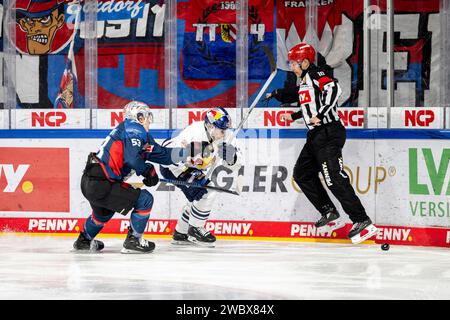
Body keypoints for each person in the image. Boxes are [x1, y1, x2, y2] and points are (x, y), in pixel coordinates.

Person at [266, 43, 378, 244]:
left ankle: (362, 220)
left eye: (294, 63)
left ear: (306, 62)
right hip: (316, 135)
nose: (291, 67)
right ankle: (328, 210)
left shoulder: (316, 75)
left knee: (333, 177)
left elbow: (334, 89)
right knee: (302, 173)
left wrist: (321, 114)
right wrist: (293, 115)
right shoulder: (306, 81)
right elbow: (310, 105)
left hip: (329, 133)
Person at [73, 101, 188, 253]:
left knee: (103, 213)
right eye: (147, 116)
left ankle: (84, 241)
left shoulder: (139, 135)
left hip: (91, 181)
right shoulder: (134, 128)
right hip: (102, 182)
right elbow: (132, 159)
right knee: (145, 199)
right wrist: (147, 170)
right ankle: (133, 241)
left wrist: (191, 151)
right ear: (139, 117)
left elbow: (164, 155)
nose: (149, 121)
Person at [159, 107, 242, 247]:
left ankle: (181, 233)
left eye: (225, 130)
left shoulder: (227, 137)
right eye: (221, 130)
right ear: (210, 126)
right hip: (175, 168)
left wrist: (232, 157)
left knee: (198, 199)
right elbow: (170, 155)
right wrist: (189, 159)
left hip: (193, 169)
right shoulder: (194, 131)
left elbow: (236, 164)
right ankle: (195, 228)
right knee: (206, 192)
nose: (224, 133)